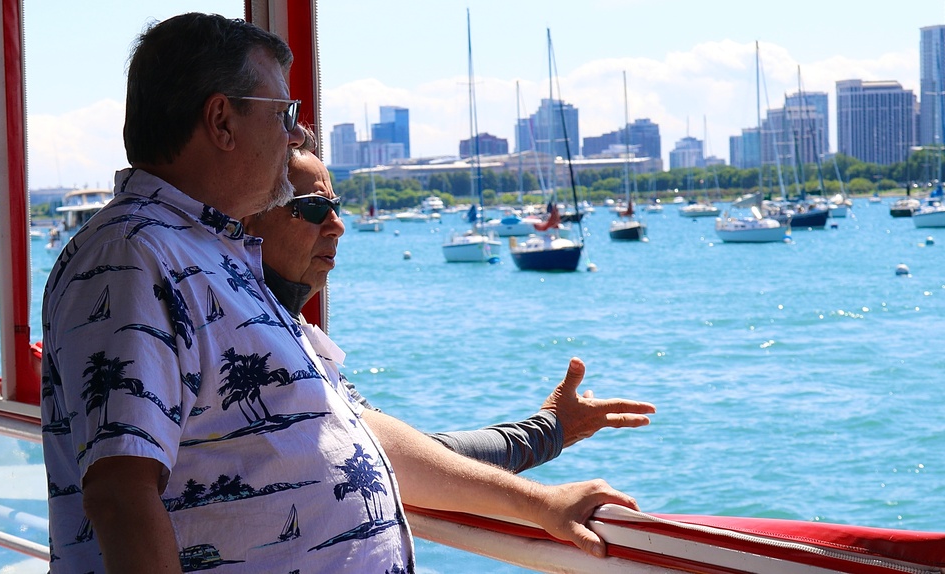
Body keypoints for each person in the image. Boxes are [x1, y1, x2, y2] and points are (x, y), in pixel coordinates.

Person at [41, 13, 642, 574]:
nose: (297, 132)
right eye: (283, 113)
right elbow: (121, 493)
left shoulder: (209, 256)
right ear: (221, 120)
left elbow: (350, 435)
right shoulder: (135, 255)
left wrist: (541, 503)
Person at [243, 129, 656, 474]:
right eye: (314, 208)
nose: (338, 226)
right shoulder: (245, 345)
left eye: (335, 207)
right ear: (246, 220)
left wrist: (551, 430)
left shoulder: (287, 336)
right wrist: (549, 444)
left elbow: (405, 454)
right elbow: (408, 462)